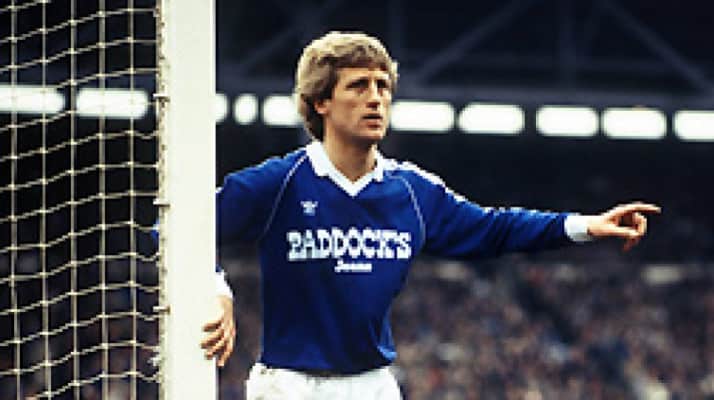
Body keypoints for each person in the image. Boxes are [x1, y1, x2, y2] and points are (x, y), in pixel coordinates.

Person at [200, 31, 660, 399]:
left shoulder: (412, 192)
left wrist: (585, 226)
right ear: (321, 102)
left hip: (374, 386)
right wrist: (217, 289)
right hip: (291, 386)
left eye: (383, 86)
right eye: (359, 86)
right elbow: (184, 228)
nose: (376, 98)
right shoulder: (279, 183)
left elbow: (493, 228)